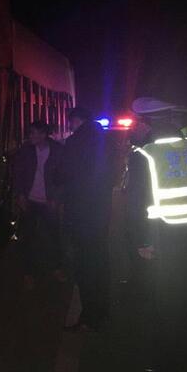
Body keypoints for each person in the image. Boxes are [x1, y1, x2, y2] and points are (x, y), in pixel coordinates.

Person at [126, 96, 187, 370]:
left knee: (163, 305)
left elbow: (138, 203)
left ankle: (165, 361)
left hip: (162, 238)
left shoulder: (145, 155)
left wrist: (143, 241)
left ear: (148, 123)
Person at [61, 107, 114, 332]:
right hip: (100, 211)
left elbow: (64, 174)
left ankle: (89, 317)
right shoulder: (106, 140)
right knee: (100, 262)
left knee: (84, 266)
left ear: (76, 120)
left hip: (82, 213)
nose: (70, 126)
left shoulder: (75, 142)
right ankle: (102, 312)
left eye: (71, 122)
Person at [12, 121, 64, 290]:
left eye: (34, 133)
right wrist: (20, 195)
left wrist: (56, 198)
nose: (30, 136)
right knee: (28, 237)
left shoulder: (57, 150)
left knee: (54, 236)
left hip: (48, 201)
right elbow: (18, 173)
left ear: (43, 134)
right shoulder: (26, 151)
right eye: (30, 133)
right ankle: (29, 273)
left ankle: (57, 268)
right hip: (30, 200)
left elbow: (62, 177)